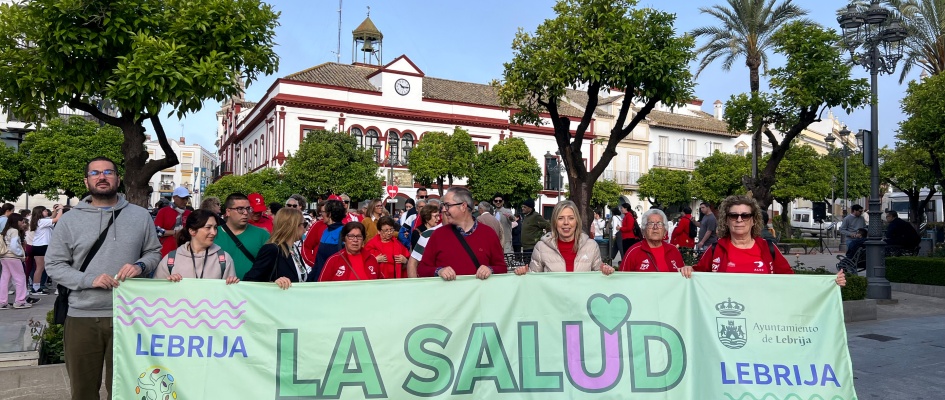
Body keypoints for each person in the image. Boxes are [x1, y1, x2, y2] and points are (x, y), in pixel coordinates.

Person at [45, 157, 162, 399]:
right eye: (95, 173)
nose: (102, 177)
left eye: (108, 172)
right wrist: (89, 279)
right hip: (82, 316)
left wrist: (140, 265)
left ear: (118, 179)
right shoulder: (70, 219)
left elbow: (154, 252)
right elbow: (53, 265)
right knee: (83, 391)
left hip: (129, 316)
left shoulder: (140, 216)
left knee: (124, 391)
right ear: (86, 180)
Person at [689, 195, 846, 287]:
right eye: (733, 215)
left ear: (753, 221)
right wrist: (687, 271)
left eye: (745, 215)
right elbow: (696, 278)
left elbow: (792, 282)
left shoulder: (767, 248)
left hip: (762, 322)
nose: (739, 220)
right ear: (727, 220)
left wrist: (830, 283)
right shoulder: (716, 249)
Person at [418, 187, 507, 280]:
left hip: (479, 294)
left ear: (463, 206)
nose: (444, 209)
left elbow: (502, 268)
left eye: (447, 205)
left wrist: (490, 270)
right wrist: (439, 271)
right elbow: (422, 269)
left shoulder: (488, 234)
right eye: (443, 205)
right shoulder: (438, 235)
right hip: (447, 294)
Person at [513, 201, 612, 275]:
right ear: (555, 222)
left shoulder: (591, 246)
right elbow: (533, 280)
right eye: (560, 218)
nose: (566, 223)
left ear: (576, 221)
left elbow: (599, 276)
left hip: (581, 302)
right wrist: (524, 274)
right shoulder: (541, 247)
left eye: (571, 218)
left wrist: (606, 272)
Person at [153, 210, 238, 284]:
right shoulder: (171, 260)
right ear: (192, 231)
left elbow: (229, 296)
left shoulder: (224, 259)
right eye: (208, 227)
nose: (214, 232)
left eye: (215, 228)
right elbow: (158, 293)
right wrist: (169, 284)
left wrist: (231, 285)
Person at [244, 208, 312, 288]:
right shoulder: (271, 249)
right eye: (304, 224)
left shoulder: (294, 248)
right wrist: (273, 283)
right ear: (294, 226)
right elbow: (250, 279)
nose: (306, 228)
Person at [214, 193, 270, 279]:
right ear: (228, 212)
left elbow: (272, 264)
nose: (245, 213)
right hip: (222, 288)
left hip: (252, 289)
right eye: (240, 209)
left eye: (248, 209)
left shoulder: (262, 235)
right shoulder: (213, 234)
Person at [621, 209, 685, 273]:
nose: (655, 227)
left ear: (665, 230)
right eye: (650, 224)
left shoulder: (674, 250)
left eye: (659, 224)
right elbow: (622, 279)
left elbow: (683, 279)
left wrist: (688, 270)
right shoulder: (633, 252)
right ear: (644, 229)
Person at [406, 200, 446, 278]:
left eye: (438, 216)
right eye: (435, 216)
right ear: (427, 218)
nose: (438, 219)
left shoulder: (438, 231)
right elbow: (415, 258)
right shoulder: (418, 232)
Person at [310, 200, 347, 280]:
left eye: (323, 211)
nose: (321, 214)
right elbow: (319, 260)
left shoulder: (344, 232)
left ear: (329, 214)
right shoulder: (326, 231)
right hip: (320, 279)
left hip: (333, 282)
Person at [29, 205, 62, 296]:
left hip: (40, 246)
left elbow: (52, 217)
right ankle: (36, 288)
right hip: (41, 246)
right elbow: (57, 219)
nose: (47, 212)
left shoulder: (41, 221)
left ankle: (36, 287)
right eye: (44, 211)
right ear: (40, 212)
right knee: (40, 268)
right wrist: (61, 209)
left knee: (40, 268)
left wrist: (55, 211)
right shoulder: (42, 221)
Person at [1, 214, 31, 309]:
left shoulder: (6, 230)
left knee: (5, 279)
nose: (23, 223)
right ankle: (20, 301)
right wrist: (20, 254)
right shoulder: (14, 231)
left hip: (4, 256)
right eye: (21, 221)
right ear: (16, 221)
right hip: (13, 257)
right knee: (20, 278)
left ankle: (2, 301)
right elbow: (14, 246)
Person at [154, 186, 193, 257]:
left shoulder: (189, 213)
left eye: (186, 198)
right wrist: (175, 232)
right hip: (166, 250)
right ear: (174, 198)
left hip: (185, 250)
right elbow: (156, 230)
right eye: (182, 198)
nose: (185, 201)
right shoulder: (164, 211)